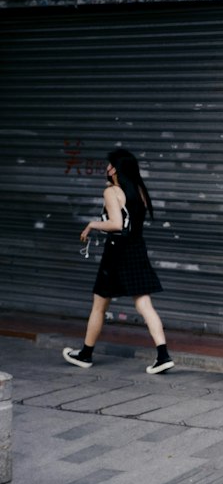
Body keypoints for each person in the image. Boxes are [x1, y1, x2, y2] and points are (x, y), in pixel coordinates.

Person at [63, 147, 174, 375]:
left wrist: (92, 224)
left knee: (99, 306)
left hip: (116, 252)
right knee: (144, 303)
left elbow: (116, 224)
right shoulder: (140, 190)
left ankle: (85, 354)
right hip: (136, 249)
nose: (106, 168)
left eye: (109, 164)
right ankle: (163, 355)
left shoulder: (112, 191)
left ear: (116, 169)